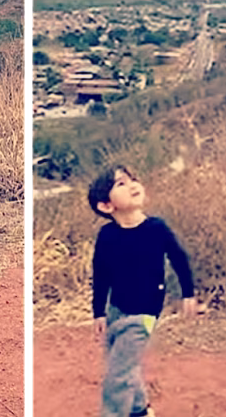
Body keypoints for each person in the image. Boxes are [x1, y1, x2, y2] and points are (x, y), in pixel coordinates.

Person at [88, 165, 198, 417]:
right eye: (121, 184)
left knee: (117, 376)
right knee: (124, 364)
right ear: (106, 206)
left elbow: (179, 259)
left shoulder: (157, 228)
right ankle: (139, 410)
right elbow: (101, 274)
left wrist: (188, 294)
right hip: (115, 310)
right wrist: (99, 312)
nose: (133, 184)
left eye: (132, 179)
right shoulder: (107, 236)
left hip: (144, 313)